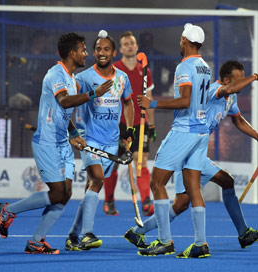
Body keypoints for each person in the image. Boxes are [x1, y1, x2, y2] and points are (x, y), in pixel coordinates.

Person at [0, 32, 113, 254]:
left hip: (62, 144)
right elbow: (64, 101)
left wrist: (74, 132)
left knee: (65, 194)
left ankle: (36, 241)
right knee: (57, 192)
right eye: (83, 50)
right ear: (72, 53)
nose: (87, 53)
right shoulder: (56, 74)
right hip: (47, 143)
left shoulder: (71, 78)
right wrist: (93, 93)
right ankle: (7, 210)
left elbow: (64, 113)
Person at [124, 61, 258, 254]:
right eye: (239, 79)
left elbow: (237, 120)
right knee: (180, 205)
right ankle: (139, 231)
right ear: (227, 80)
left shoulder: (231, 98)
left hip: (199, 150)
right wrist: (254, 77)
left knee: (227, 182)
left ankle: (243, 233)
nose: (243, 83)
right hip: (187, 148)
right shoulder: (214, 90)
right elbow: (226, 90)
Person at [136, 23, 211, 258]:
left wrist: (153, 104)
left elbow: (185, 100)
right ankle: (200, 243)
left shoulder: (184, 67)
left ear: (185, 41)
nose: (180, 43)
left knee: (157, 183)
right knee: (193, 188)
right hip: (201, 132)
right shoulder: (205, 67)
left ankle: (164, 241)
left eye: (181, 39)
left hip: (184, 130)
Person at [65, 30, 135, 251]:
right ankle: (87, 234)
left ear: (113, 52)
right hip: (89, 139)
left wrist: (129, 130)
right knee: (96, 180)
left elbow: (129, 103)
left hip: (111, 142)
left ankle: (73, 236)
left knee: (91, 188)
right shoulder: (83, 78)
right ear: (93, 52)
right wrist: (73, 133)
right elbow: (67, 103)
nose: (102, 53)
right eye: (98, 49)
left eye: (106, 49)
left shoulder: (122, 78)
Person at [102, 31, 156, 216]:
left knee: (141, 162)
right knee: (114, 164)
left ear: (137, 47)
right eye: (125, 44)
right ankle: (108, 200)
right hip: (119, 124)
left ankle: (146, 201)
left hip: (140, 124)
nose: (129, 46)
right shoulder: (114, 69)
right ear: (120, 49)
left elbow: (148, 99)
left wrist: (152, 125)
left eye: (131, 43)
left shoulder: (145, 71)